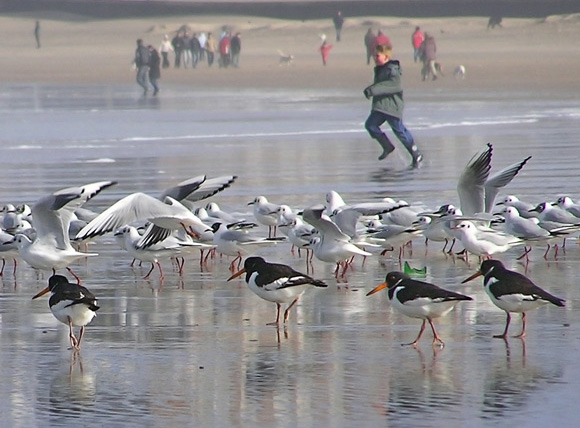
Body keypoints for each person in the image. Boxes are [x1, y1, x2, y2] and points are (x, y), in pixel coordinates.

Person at [363, 44, 422, 167]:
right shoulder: (380, 68)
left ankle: (415, 153)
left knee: (399, 130)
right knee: (370, 125)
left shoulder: (392, 69)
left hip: (392, 107)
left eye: (377, 56)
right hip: (381, 107)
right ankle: (387, 146)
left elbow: (394, 85)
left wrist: (372, 90)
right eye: (374, 55)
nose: (375, 58)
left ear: (386, 56)